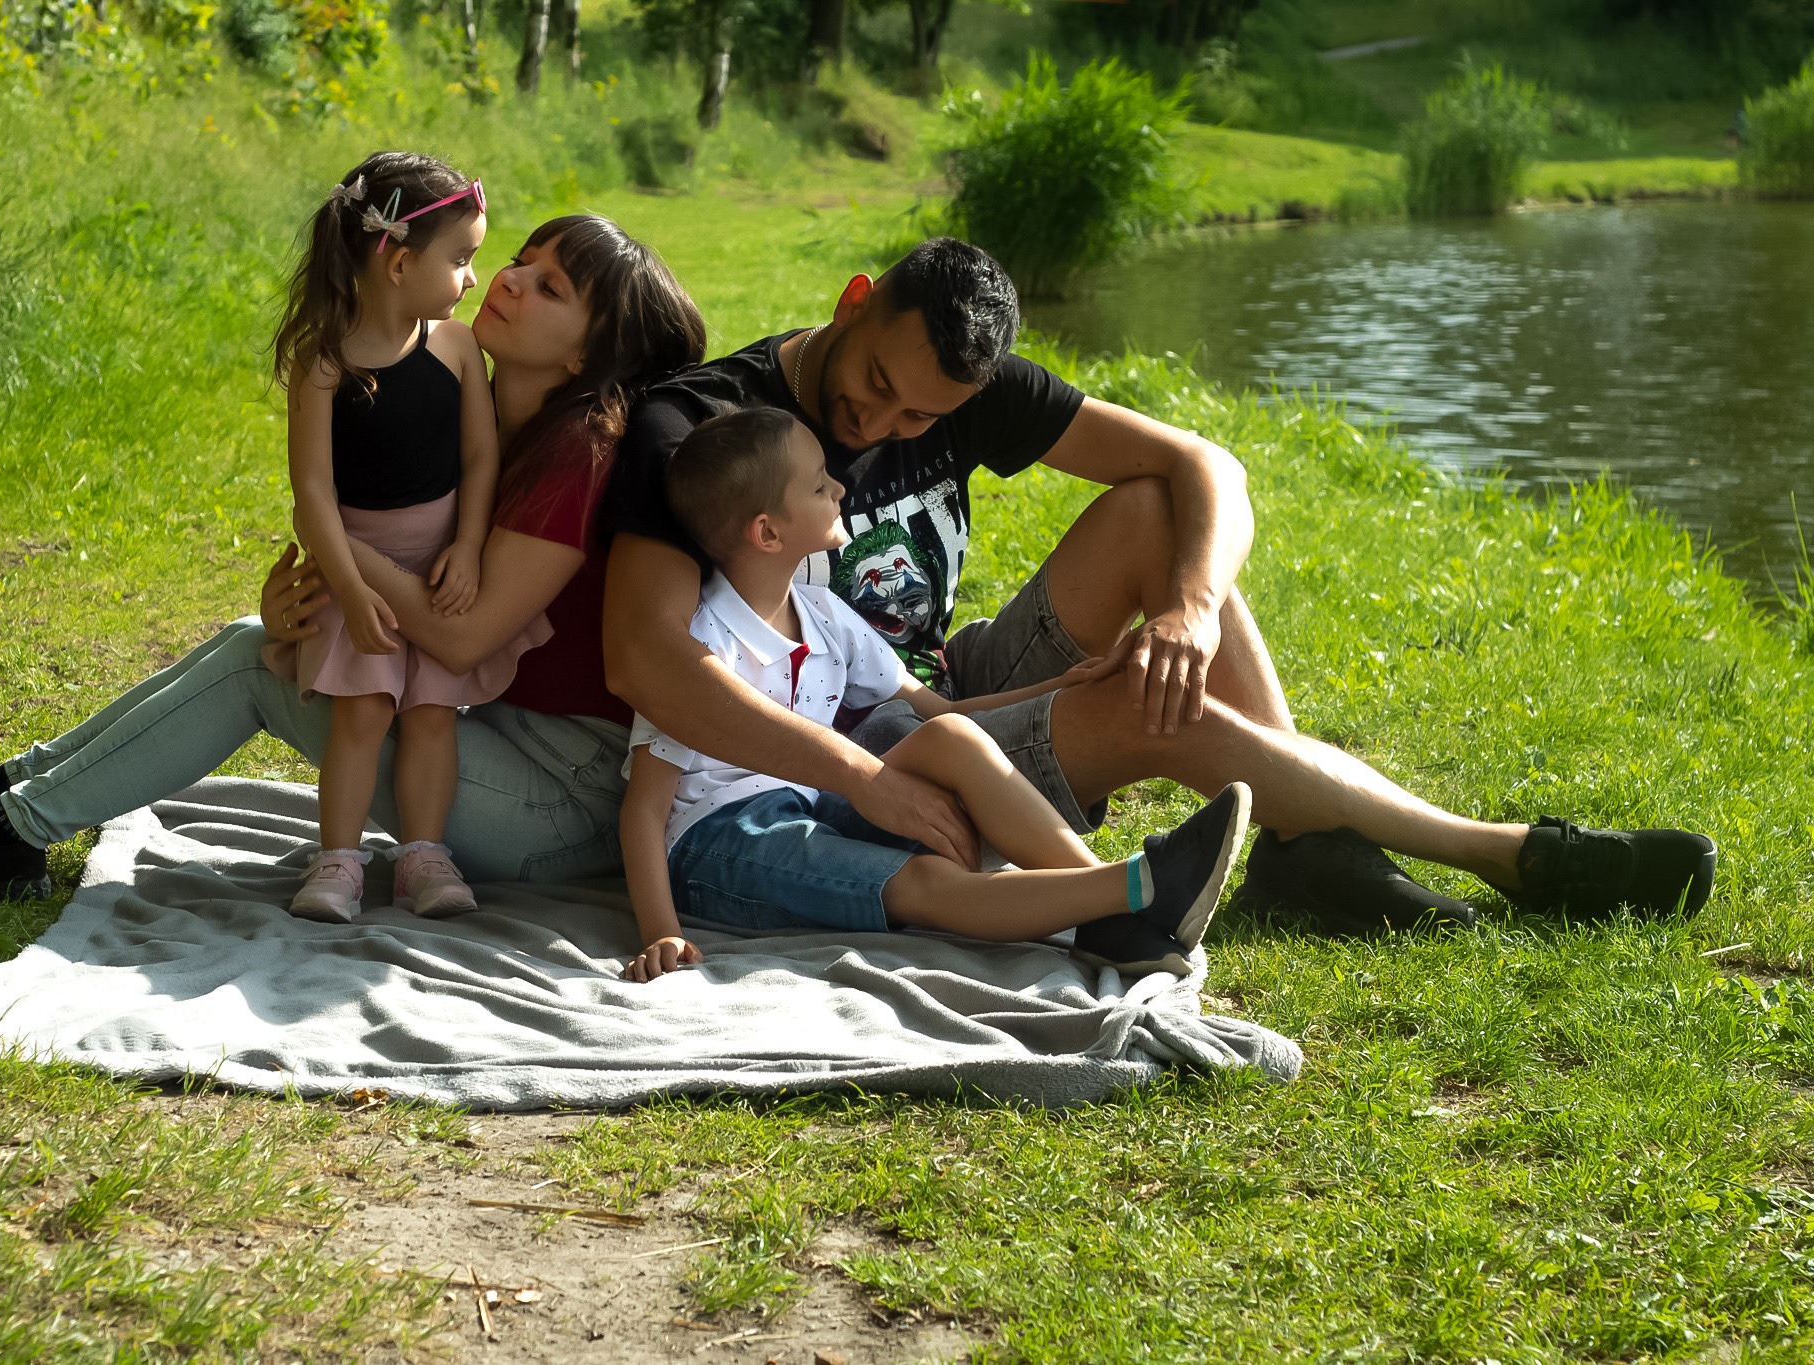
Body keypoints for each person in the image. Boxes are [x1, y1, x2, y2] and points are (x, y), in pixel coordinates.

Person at [600, 237, 1719, 931]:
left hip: (941, 688)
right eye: (875, 389)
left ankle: (1308, 851)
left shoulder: (967, 385)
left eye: (918, 420)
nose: (877, 431)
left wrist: (1183, 605)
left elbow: (1203, 464)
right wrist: (866, 775)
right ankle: (1502, 853)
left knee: (1161, 526)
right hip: (842, 750)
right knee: (1151, 702)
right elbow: (645, 656)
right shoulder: (707, 428)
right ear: (852, 303)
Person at [0, 213, 708, 899]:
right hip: (492, 736)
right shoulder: (479, 410)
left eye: (548, 286)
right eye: (519, 260)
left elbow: (458, 639)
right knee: (253, 634)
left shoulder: (581, 453)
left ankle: (5, 832)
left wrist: (344, 550)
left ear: (584, 354)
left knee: (255, 666)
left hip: (562, 805)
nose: (511, 280)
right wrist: (313, 579)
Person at [618, 408, 1252, 983]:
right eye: (818, 486)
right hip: (719, 845)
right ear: (767, 532)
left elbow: (940, 713)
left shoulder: (821, 613)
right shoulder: (702, 647)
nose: (839, 488)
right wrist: (660, 932)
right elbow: (645, 809)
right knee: (923, 882)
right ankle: (1135, 886)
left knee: (949, 739)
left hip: (811, 799)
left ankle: (1106, 902)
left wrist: (1062, 684)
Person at [270, 151, 544, 922]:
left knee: (431, 715)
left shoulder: (456, 349)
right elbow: (313, 493)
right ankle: (339, 861)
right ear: (396, 261)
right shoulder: (322, 363)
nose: (471, 279)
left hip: (441, 567)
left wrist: (468, 543)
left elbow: (481, 456)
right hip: (356, 568)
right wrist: (352, 594)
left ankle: (423, 856)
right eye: (460, 259)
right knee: (362, 712)